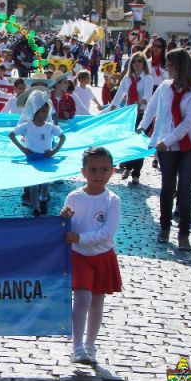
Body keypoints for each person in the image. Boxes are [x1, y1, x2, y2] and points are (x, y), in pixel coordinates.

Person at [138, 49, 191, 251]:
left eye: (170, 65)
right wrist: (142, 128)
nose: (166, 69)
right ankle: (164, 227)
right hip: (166, 145)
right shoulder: (164, 87)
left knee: (185, 190)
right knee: (167, 188)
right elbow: (153, 108)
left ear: (180, 66)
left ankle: (184, 233)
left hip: (189, 146)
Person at [60, 146, 122, 364]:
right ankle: (77, 345)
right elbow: (67, 225)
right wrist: (64, 218)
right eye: (93, 170)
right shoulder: (74, 197)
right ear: (83, 172)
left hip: (102, 255)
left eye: (104, 170)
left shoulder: (112, 200)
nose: (99, 175)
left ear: (112, 171)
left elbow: (107, 233)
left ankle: (90, 344)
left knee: (97, 301)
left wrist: (80, 238)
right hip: (79, 256)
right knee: (82, 297)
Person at [9, 90, 66, 217]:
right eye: (43, 112)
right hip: (32, 158)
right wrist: (23, 149)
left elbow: (62, 137)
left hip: (45, 158)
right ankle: (36, 207)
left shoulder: (49, 126)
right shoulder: (27, 125)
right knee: (34, 184)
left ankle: (44, 200)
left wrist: (54, 151)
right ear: (35, 112)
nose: (46, 115)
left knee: (45, 182)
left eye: (47, 112)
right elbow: (11, 135)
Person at [109, 52, 154, 186]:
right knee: (129, 142)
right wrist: (113, 108)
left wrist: (139, 103)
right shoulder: (127, 79)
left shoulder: (148, 79)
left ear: (144, 63)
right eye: (134, 61)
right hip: (130, 115)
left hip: (142, 114)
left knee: (139, 144)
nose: (137, 63)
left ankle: (136, 174)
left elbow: (148, 97)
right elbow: (119, 95)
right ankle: (128, 167)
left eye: (139, 61)